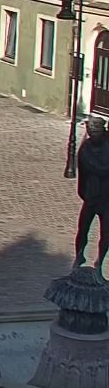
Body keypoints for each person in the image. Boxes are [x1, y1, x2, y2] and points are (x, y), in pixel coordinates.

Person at [74, 116, 109, 271]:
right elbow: (97, 169)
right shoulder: (86, 149)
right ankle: (79, 256)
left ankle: (99, 262)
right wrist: (85, 194)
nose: (93, 134)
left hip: (107, 198)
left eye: (96, 132)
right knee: (83, 229)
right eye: (91, 132)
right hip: (91, 197)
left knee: (106, 234)